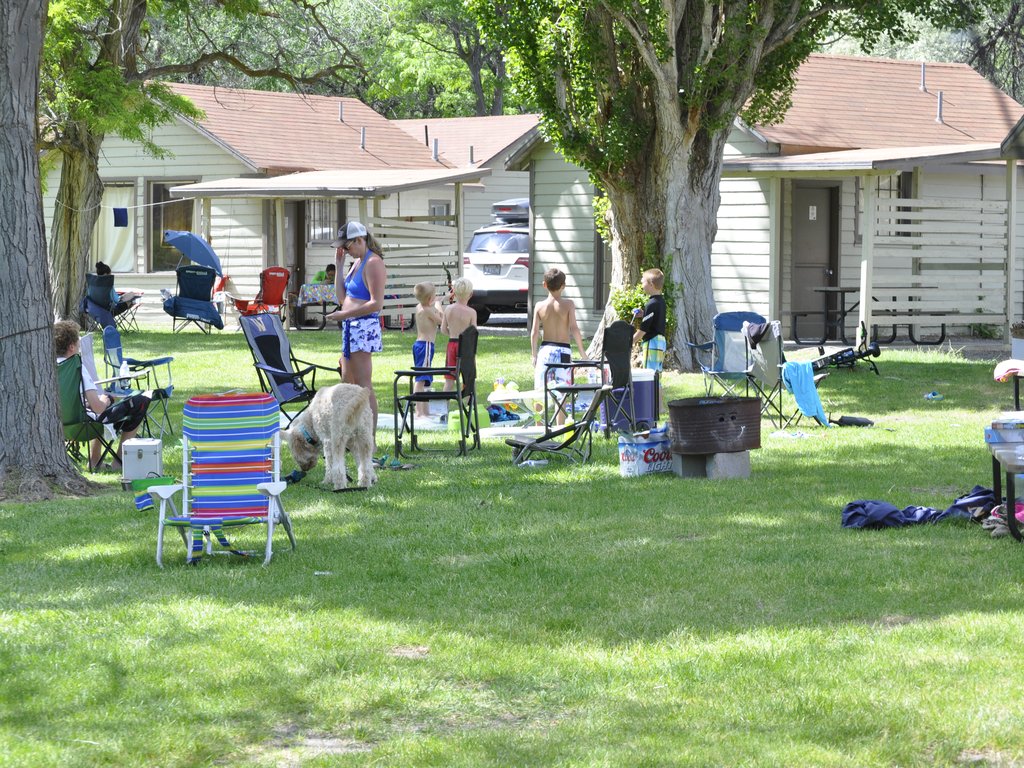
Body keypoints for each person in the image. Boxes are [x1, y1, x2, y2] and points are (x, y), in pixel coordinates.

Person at [54, 320, 150, 471]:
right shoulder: (76, 366)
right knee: (140, 401)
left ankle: (96, 461)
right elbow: (98, 408)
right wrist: (106, 399)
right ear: (71, 347)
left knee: (96, 408)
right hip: (83, 425)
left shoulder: (47, 367)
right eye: (78, 341)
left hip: (58, 425)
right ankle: (118, 462)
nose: (80, 344)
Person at [325, 221, 386, 445]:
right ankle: (353, 436)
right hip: (351, 327)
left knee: (363, 386)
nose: (346, 250)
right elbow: (342, 299)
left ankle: (369, 440)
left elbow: (376, 303)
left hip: (363, 328)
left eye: (347, 246)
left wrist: (344, 316)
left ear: (359, 240)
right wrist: (339, 265)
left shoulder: (373, 263)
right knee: (347, 383)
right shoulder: (356, 262)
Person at [531, 267, 588, 424]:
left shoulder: (539, 306)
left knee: (540, 389)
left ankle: (538, 424)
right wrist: (582, 352)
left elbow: (534, 332)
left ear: (544, 285)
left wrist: (534, 354)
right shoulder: (568, 304)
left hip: (545, 350)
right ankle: (560, 425)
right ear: (563, 286)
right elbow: (574, 328)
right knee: (563, 390)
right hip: (563, 350)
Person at [412, 281, 443, 417]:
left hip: (420, 345)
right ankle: (419, 412)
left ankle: (425, 411)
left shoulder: (419, 306)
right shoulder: (428, 310)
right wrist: (440, 307)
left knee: (423, 379)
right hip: (426, 346)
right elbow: (441, 321)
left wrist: (440, 300)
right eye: (434, 296)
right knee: (421, 379)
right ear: (430, 299)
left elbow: (429, 306)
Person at [440, 277, 477, 393]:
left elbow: (443, 329)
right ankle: (468, 406)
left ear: (454, 293)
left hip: (452, 344)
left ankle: (443, 407)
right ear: (470, 294)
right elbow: (473, 333)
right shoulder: (471, 312)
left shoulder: (449, 309)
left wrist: (451, 333)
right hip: (466, 347)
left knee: (449, 379)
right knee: (469, 378)